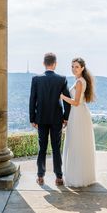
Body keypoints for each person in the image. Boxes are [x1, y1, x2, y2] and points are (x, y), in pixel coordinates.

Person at [29, 52, 71, 186]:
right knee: (56, 148)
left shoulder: (36, 79)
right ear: (55, 64)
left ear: (44, 63)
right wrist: (66, 117)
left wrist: (32, 118)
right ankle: (59, 177)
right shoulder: (62, 79)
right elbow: (67, 101)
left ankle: (40, 176)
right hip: (56, 119)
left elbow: (32, 100)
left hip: (40, 118)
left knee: (42, 148)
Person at [60, 57, 96, 187]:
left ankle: (77, 177)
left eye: (76, 67)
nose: (74, 69)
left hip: (78, 113)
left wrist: (62, 97)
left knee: (76, 143)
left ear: (82, 68)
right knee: (78, 143)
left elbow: (75, 102)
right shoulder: (79, 80)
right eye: (72, 66)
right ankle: (79, 174)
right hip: (78, 113)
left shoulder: (80, 82)